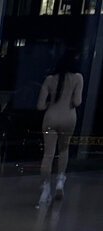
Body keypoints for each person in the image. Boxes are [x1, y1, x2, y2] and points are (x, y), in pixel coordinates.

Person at [36, 52, 83, 208]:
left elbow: (40, 106)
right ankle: (60, 183)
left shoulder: (49, 80)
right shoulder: (78, 78)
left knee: (48, 154)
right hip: (69, 119)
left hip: (50, 118)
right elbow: (77, 101)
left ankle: (45, 190)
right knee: (64, 150)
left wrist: (51, 104)